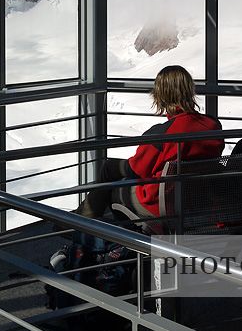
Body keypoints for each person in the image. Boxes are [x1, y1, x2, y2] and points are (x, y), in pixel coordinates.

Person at [76, 65, 224, 221]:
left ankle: (84, 226)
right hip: (200, 199)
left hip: (161, 203)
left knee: (111, 178)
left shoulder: (162, 134)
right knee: (112, 171)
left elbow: (136, 168)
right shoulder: (212, 125)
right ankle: (81, 220)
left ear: (161, 95)